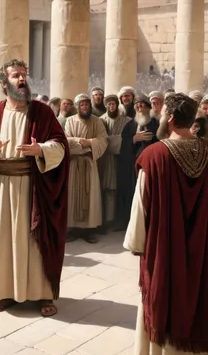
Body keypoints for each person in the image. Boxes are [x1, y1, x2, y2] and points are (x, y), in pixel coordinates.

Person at [125, 93, 208, 355]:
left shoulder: (154, 156)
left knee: (167, 298)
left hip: (165, 247)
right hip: (204, 248)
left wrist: (137, 244)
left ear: (170, 119)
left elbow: (141, 205)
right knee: (198, 297)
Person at [0, 59, 69, 317]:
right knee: (3, 239)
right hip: (1, 187)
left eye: (24, 75)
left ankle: (42, 294)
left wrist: (41, 150)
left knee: (36, 240)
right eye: (16, 75)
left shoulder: (42, 112)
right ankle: (5, 292)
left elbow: (60, 144)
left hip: (33, 186)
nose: (22, 79)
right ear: (4, 83)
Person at [65, 93, 108, 243]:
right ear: (77, 107)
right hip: (74, 164)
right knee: (73, 195)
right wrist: (80, 142)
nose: (85, 107)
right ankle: (74, 229)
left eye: (87, 105)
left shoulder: (97, 122)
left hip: (90, 164)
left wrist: (89, 143)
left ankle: (89, 230)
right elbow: (66, 141)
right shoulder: (69, 121)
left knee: (91, 197)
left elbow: (102, 141)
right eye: (82, 105)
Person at [115, 94, 159, 231]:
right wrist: (134, 139)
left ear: (148, 108)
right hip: (133, 166)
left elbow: (161, 143)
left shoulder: (156, 124)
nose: (139, 108)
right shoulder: (130, 125)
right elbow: (123, 146)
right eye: (137, 106)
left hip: (151, 167)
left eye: (142, 106)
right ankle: (131, 224)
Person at [98, 95, 130, 231]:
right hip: (106, 159)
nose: (112, 107)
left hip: (122, 160)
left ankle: (120, 220)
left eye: (114, 104)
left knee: (121, 188)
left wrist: (117, 141)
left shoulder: (127, 121)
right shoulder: (100, 121)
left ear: (117, 105)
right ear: (106, 106)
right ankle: (107, 220)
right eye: (109, 104)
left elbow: (129, 139)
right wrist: (117, 141)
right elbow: (101, 140)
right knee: (107, 188)